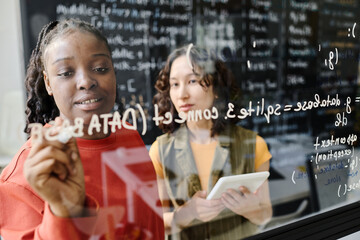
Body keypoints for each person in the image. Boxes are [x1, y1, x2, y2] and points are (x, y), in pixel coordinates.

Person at [0, 18, 164, 240]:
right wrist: (64, 210)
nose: (86, 81)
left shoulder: (128, 135)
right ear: (48, 83)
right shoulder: (29, 174)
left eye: (100, 68)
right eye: (66, 73)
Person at [149, 44, 272, 239]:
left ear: (215, 87)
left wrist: (250, 209)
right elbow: (155, 225)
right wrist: (187, 213)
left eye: (192, 80)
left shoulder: (254, 144)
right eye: (174, 84)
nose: (182, 95)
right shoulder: (160, 151)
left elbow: (266, 215)